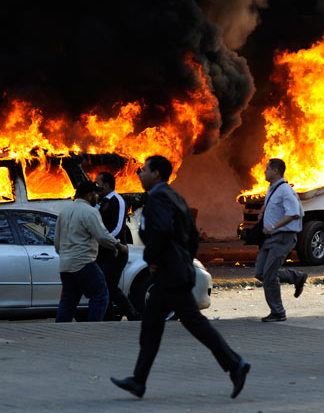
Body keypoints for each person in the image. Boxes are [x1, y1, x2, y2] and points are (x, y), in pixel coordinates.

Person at [110, 155, 250, 399]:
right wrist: (184, 260)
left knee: (191, 323)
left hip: (169, 274)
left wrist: (152, 258)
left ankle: (235, 365)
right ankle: (138, 380)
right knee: (152, 325)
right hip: (175, 272)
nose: (140, 173)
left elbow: (162, 231)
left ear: (155, 174)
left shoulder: (158, 198)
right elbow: (193, 237)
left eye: (144, 170)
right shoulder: (176, 197)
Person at [54, 180, 128, 322]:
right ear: (89, 195)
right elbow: (102, 236)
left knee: (69, 300)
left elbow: (57, 242)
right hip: (83, 263)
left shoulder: (64, 212)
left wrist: (66, 255)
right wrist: (119, 246)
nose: (98, 197)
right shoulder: (91, 212)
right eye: (96, 194)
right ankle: (93, 327)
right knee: (100, 294)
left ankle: (60, 329)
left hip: (65, 265)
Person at [253, 158, 308, 322]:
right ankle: (296, 277)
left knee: (269, 276)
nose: (264, 171)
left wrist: (273, 226)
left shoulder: (285, 190)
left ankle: (278, 312)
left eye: (267, 169)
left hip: (282, 237)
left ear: (275, 171)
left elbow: (294, 213)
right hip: (270, 239)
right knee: (260, 272)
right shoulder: (273, 188)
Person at [95, 171, 139, 321]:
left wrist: (107, 240)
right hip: (103, 250)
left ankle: (132, 314)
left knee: (110, 286)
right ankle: (109, 318)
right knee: (104, 286)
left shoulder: (117, 200)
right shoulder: (101, 202)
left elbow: (118, 228)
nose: (96, 187)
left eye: (98, 184)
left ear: (106, 185)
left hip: (116, 251)